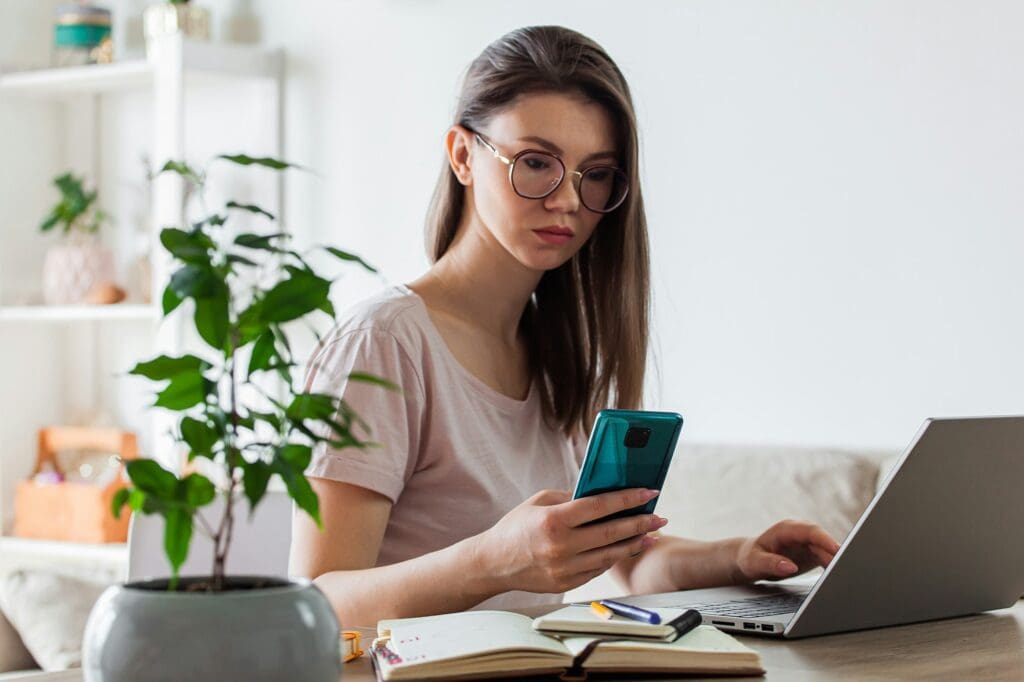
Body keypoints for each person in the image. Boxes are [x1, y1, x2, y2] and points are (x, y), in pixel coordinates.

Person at [289, 25, 840, 627]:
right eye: (535, 162)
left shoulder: (556, 352)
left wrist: (739, 557)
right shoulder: (385, 344)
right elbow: (315, 604)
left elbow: (627, 566)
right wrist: (492, 562)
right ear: (462, 155)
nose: (568, 201)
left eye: (596, 173)